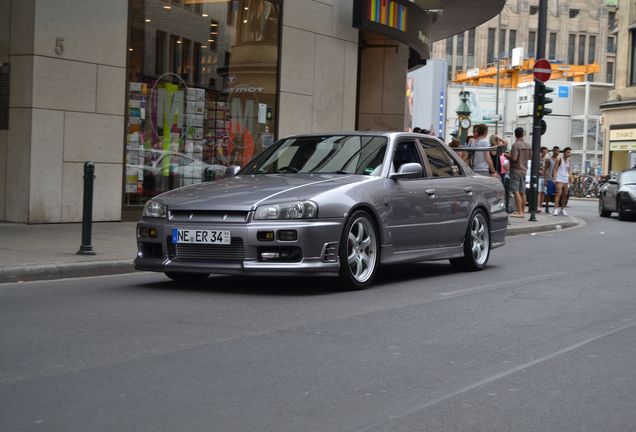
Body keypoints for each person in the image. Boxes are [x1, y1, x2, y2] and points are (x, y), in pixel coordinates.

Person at [508, 127, 532, 217]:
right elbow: (530, 157)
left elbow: (514, 158)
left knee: (516, 191)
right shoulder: (528, 145)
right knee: (522, 192)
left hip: (516, 170)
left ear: (515, 134)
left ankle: (520, 212)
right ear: (523, 134)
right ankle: (523, 211)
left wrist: (508, 156)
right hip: (524, 170)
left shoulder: (516, 145)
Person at [552, 146, 572, 216]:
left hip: (565, 179)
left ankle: (562, 209)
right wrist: (554, 178)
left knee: (565, 194)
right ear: (564, 153)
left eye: (569, 152)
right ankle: (555, 209)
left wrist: (570, 177)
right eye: (567, 152)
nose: (569, 154)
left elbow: (569, 169)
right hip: (559, 179)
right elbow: (555, 169)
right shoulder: (559, 159)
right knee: (558, 193)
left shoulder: (569, 160)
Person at [545, 146, 559, 211]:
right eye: (556, 151)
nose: (557, 152)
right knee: (549, 193)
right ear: (553, 151)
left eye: (558, 151)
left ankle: (555, 208)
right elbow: (546, 169)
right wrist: (545, 179)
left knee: (557, 193)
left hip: (558, 179)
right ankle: (547, 206)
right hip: (550, 178)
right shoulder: (549, 159)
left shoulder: (559, 160)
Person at [536, 146, 548, 212]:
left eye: (546, 152)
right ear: (541, 152)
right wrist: (539, 171)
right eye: (543, 152)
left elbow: (548, 169)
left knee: (543, 192)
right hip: (539, 177)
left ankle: (540, 206)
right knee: (539, 192)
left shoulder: (547, 159)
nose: (545, 153)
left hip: (545, 177)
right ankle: (538, 206)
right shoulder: (538, 159)